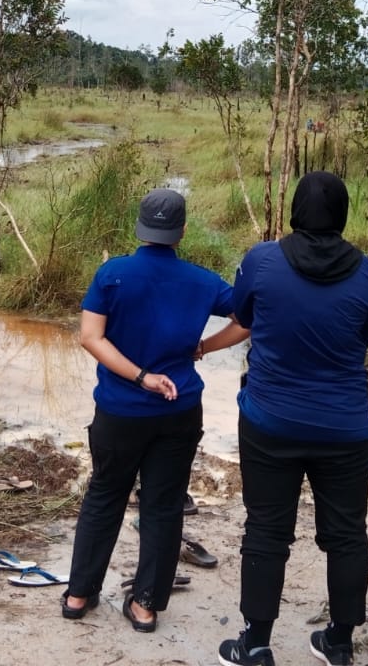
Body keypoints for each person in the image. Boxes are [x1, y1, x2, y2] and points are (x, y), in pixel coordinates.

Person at [218, 171, 368, 666]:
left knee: (266, 529)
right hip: (346, 427)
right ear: (343, 214)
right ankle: (339, 642)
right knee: (348, 533)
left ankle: (255, 643)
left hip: (270, 420)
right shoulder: (367, 272)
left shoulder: (262, 260)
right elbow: (367, 334)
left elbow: (243, 315)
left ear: (294, 210)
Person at [62, 187, 247, 631]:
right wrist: (204, 347)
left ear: (139, 227)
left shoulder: (112, 274)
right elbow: (248, 319)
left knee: (104, 496)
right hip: (179, 410)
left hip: (120, 411)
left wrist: (140, 376)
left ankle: (78, 595)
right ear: (181, 232)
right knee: (163, 505)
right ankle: (145, 606)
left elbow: (90, 337)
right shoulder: (203, 281)